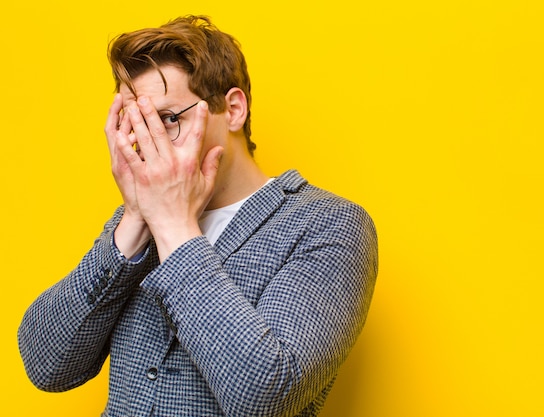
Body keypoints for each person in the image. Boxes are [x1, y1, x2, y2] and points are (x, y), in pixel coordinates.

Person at [18, 15, 378, 417]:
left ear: (234, 109)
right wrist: (136, 219)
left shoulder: (328, 225)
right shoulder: (139, 218)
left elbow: (265, 395)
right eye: (134, 125)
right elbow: (45, 365)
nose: (147, 144)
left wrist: (173, 225)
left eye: (168, 119)